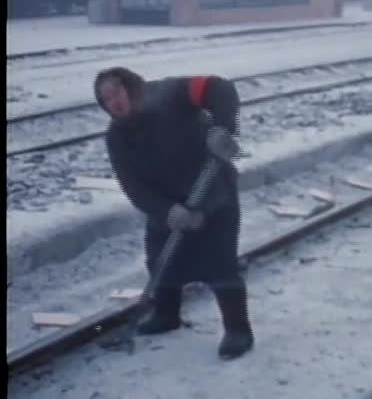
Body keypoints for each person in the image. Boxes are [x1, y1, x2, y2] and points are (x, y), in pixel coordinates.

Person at [94, 67, 254, 360]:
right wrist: (168, 211)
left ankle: (238, 330)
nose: (113, 102)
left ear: (130, 86)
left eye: (116, 92)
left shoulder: (170, 93)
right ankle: (166, 316)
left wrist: (222, 128)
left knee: (219, 264)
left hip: (213, 192)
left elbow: (220, 87)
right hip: (168, 204)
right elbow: (133, 187)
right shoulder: (116, 137)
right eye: (105, 99)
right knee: (160, 259)